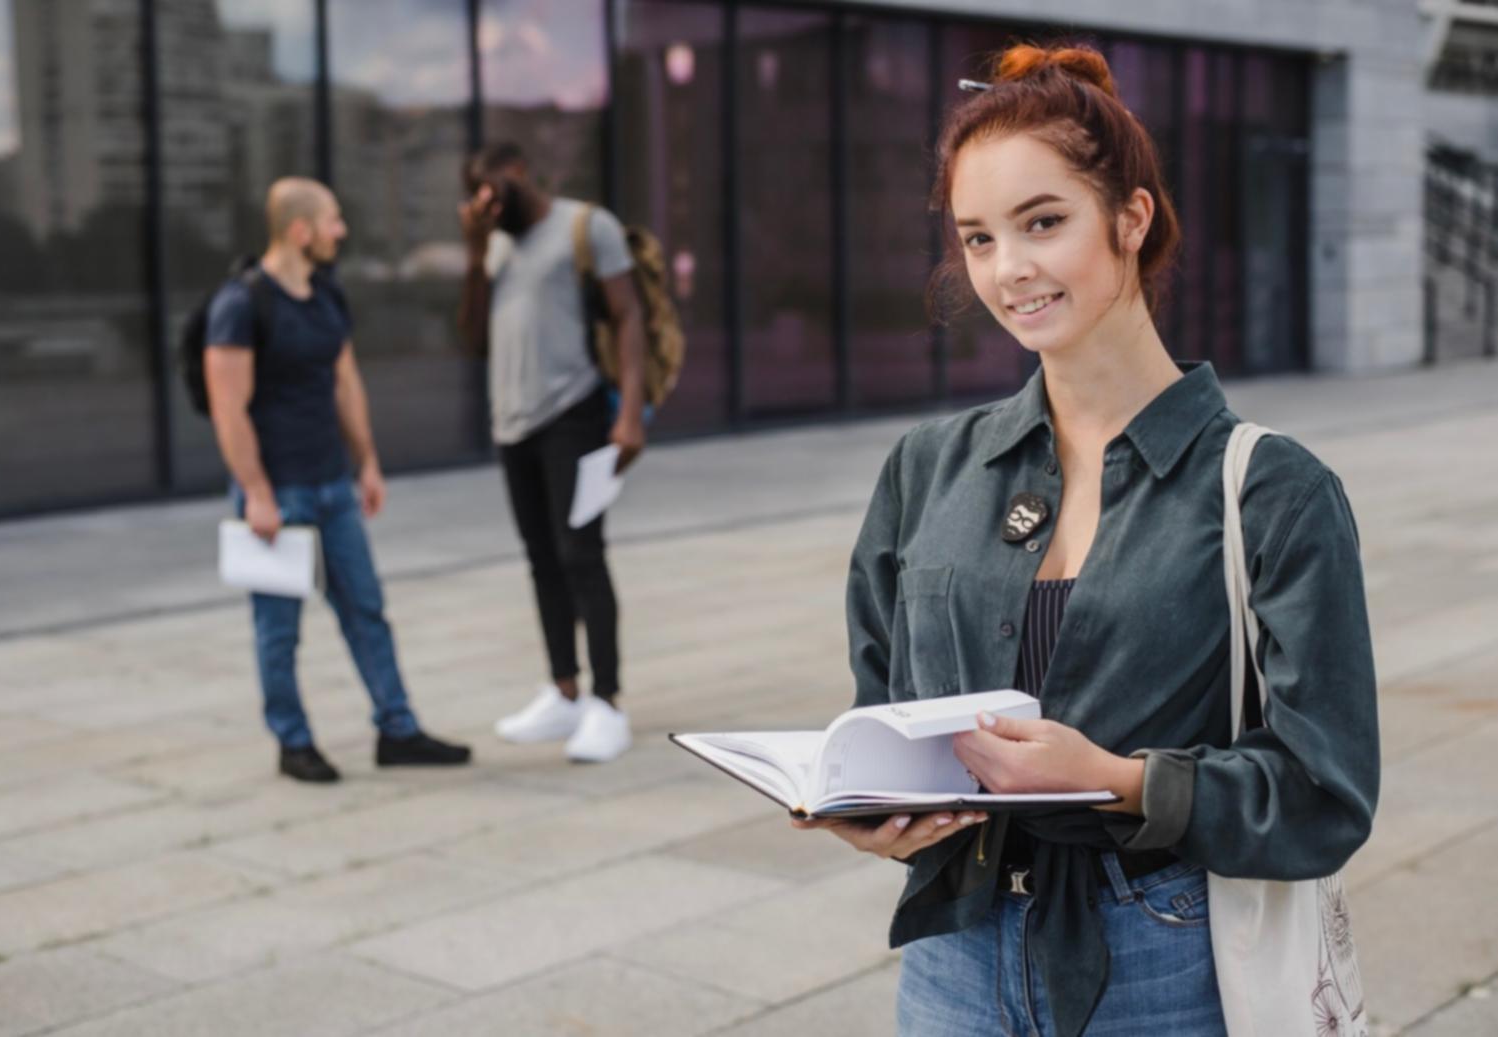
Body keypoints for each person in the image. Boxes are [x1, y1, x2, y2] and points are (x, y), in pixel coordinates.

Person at [793, 45, 1379, 1036]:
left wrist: (1117, 777)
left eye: (1041, 222)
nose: (1006, 268)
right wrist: (864, 804)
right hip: (953, 951)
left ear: (1129, 218)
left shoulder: (1271, 488)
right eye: (976, 238)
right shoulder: (927, 466)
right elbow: (881, 711)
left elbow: (1324, 792)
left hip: (1162, 952)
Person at [205, 176, 472, 783]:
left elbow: (345, 381)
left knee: (366, 609)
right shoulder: (241, 304)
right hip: (278, 493)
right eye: (333, 220)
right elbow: (228, 409)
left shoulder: (327, 294)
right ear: (301, 230)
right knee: (279, 629)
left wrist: (367, 461)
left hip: (332, 484)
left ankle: (397, 730)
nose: (341, 231)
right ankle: (293, 742)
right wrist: (258, 493)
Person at [457, 143, 648, 764]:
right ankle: (563, 690)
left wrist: (628, 415)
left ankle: (607, 702)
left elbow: (628, 317)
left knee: (581, 556)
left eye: (489, 191)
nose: (484, 204)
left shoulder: (584, 225)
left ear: (515, 175)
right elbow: (473, 337)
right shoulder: (494, 242)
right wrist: (472, 250)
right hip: (512, 424)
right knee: (541, 559)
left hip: (574, 412)